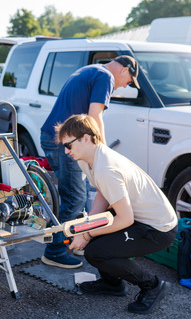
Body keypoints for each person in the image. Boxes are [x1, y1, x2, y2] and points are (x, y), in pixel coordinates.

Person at [60, 114, 178, 314]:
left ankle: (153, 285)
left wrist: (87, 234)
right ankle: (113, 284)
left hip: (158, 229)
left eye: (69, 145)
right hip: (139, 219)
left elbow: (125, 219)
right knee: (97, 243)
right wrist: (86, 226)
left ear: (86, 138)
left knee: (96, 251)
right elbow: (102, 195)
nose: (66, 151)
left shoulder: (106, 168)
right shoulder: (88, 158)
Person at [40, 55, 140, 268]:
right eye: (129, 81)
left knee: (80, 193)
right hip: (67, 142)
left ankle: (74, 241)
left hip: (56, 137)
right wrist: (103, 152)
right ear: (125, 70)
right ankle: (55, 251)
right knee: (74, 197)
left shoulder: (91, 70)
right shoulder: (106, 77)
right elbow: (95, 116)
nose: (124, 86)